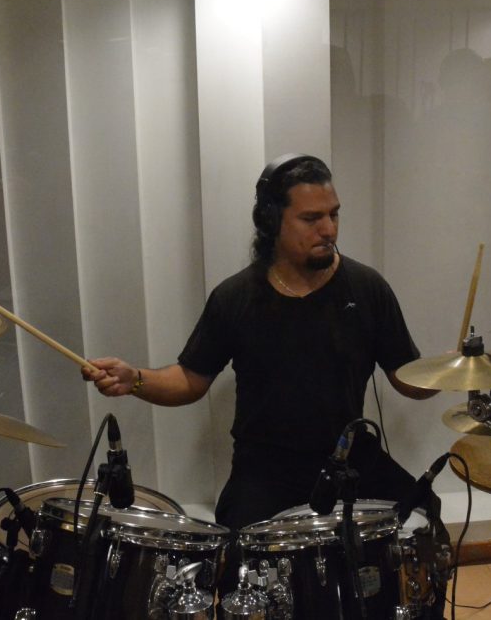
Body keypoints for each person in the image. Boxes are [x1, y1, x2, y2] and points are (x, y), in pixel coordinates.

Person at [82, 153, 438, 532]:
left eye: (333, 214)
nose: (329, 229)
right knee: (242, 542)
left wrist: (451, 373)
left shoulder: (367, 289)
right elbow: (190, 379)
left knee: (424, 513)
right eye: (311, 219)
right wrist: (134, 379)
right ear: (271, 221)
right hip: (267, 467)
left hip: (348, 457)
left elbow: (406, 378)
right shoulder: (236, 298)